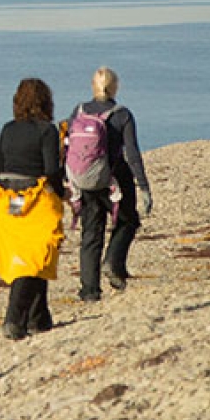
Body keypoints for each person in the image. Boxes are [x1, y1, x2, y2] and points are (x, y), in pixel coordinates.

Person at [0, 78, 67, 340]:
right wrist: (62, 192)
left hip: (9, 201)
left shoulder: (7, 129)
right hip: (38, 201)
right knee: (34, 260)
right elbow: (51, 170)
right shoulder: (47, 131)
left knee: (30, 259)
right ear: (46, 102)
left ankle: (39, 318)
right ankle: (14, 318)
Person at [66, 66, 151, 301]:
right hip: (116, 178)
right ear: (115, 86)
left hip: (85, 179)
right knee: (128, 221)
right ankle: (113, 261)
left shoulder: (79, 111)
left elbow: (68, 145)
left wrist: (69, 179)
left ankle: (89, 290)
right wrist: (143, 185)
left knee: (91, 234)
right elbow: (132, 152)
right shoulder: (122, 114)